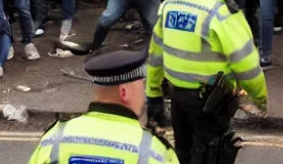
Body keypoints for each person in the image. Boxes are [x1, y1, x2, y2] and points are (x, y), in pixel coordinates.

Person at [147, 0, 267, 164]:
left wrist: (153, 91)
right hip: (212, 103)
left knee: (183, 153)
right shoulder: (221, 11)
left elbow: (155, 54)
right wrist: (259, 98)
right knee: (210, 157)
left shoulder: (171, 3)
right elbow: (246, 63)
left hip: (178, 97)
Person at [28, 49, 178, 164]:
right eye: (141, 86)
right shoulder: (154, 152)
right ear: (124, 92)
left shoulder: (54, 139)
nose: (144, 96)